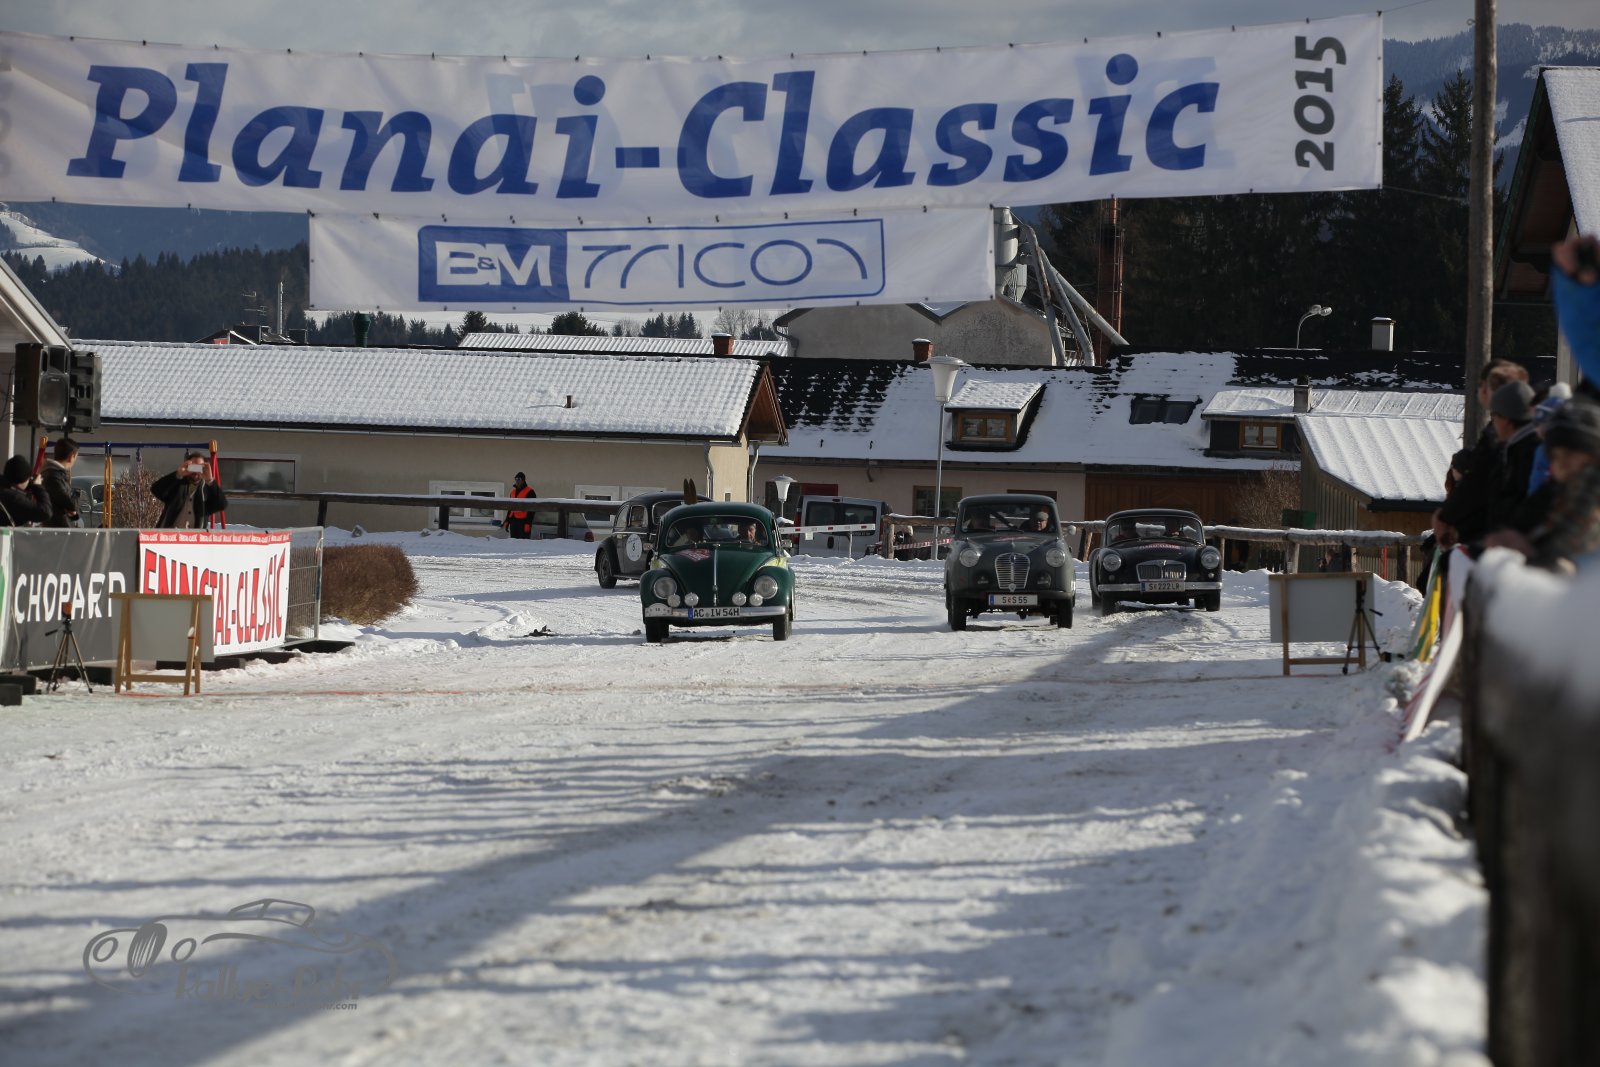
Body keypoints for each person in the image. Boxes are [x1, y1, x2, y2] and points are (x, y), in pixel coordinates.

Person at [151, 451, 227, 529]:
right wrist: (178, 474)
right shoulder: (177, 484)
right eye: (193, 467)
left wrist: (210, 480)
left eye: (199, 467)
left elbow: (221, 505)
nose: (195, 471)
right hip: (171, 533)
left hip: (194, 535)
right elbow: (156, 490)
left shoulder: (207, 490)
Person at [0, 454, 53, 526]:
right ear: (22, 480)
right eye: (29, 478)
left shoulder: (4, 490)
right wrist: (38, 487)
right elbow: (46, 512)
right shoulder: (12, 497)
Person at [40, 437, 81, 528]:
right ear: (71, 457)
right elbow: (70, 504)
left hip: (55, 525)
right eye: (76, 457)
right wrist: (75, 495)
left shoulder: (51, 473)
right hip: (58, 528)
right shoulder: (54, 476)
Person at [503, 472, 535, 539]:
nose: (517, 481)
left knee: (523, 542)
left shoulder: (530, 492)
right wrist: (507, 521)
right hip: (513, 521)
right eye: (516, 479)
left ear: (523, 480)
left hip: (523, 522)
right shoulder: (513, 492)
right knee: (513, 541)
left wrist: (528, 523)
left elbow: (532, 510)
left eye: (519, 479)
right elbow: (510, 508)